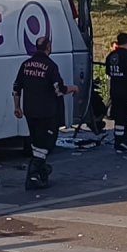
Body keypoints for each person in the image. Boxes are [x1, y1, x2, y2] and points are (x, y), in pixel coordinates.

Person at [13, 36, 79, 189]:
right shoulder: (50, 66)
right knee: (45, 144)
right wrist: (73, 88)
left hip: (30, 111)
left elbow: (16, 87)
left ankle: (42, 170)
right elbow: (59, 89)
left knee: (36, 142)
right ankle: (33, 175)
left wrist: (17, 107)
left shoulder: (26, 65)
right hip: (46, 112)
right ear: (48, 47)